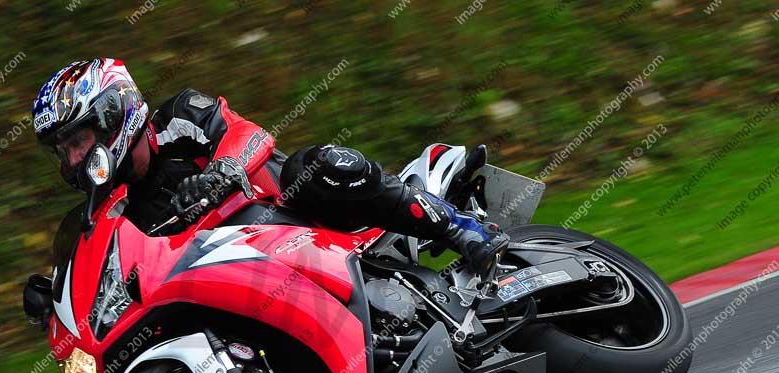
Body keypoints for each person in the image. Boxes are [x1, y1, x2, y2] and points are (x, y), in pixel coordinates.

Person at [32, 58, 508, 275]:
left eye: (79, 140)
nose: (74, 158)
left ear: (115, 113)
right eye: (64, 150)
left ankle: (459, 228)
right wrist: (56, 298)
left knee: (316, 164)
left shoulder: (177, 119)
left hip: (302, 216)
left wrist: (222, 171)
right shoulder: (116, 209)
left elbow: (250, 134)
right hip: (252, 271)